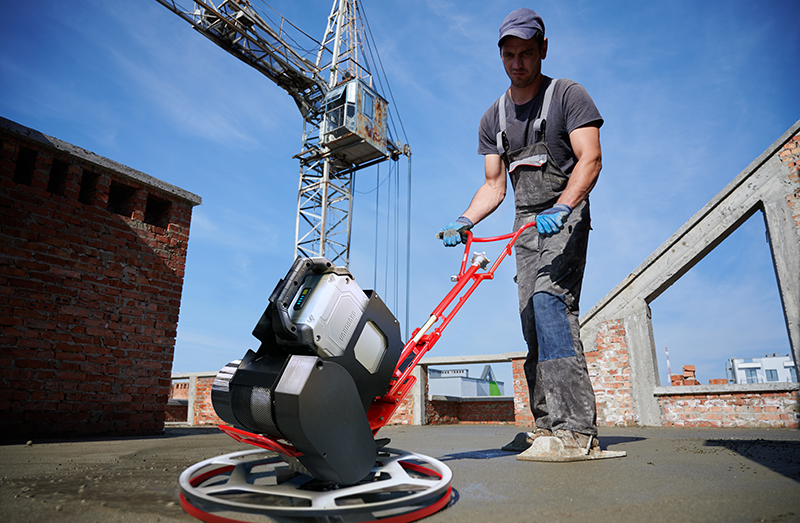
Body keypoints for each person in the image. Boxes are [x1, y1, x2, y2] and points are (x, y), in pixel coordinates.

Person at [439, 7, 603, 456]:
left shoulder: (568, 95)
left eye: (526, 53)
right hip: (524, 223)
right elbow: (494, 186)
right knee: (532, 316)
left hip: (563, 214)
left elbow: (590, 159)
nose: (518, 63)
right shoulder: (493, 117)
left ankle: (576, 432)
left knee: (551, 302)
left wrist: (566, 205)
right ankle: (548, 425)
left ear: (543, 50)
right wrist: (465, 219)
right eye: (509, 55)